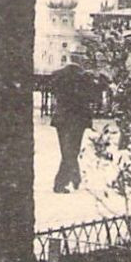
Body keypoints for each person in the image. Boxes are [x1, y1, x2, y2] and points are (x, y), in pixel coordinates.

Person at [50, 60, 95, 193]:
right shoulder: (82, 81)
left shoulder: (59, 79)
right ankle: (64, 181)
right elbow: (90, 98)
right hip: (77, 120)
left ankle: (73, 177)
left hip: (62, 119)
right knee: (72, 151)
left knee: (67, 151)